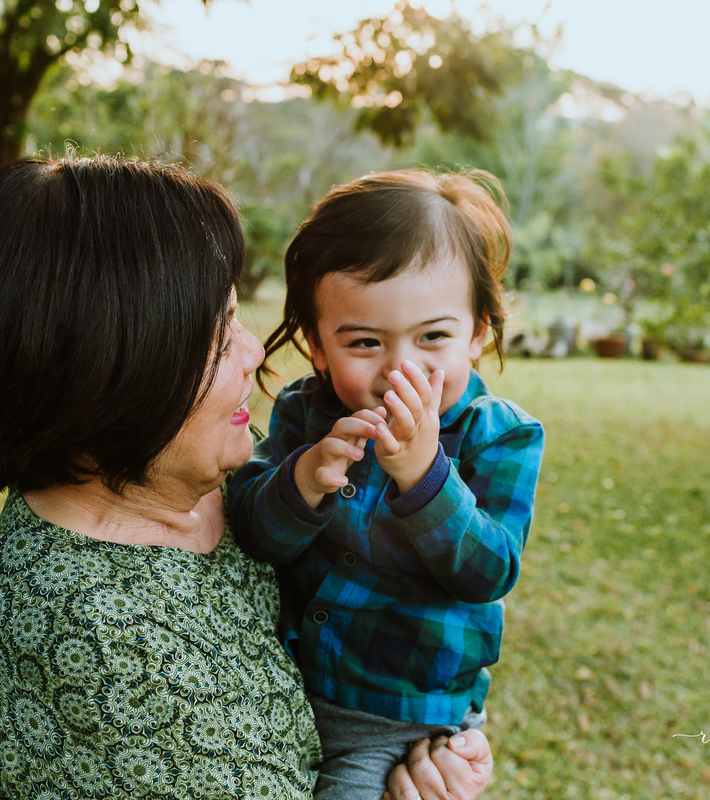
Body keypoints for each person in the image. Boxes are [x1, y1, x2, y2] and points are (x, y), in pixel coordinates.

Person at [0, 155, 492, 800]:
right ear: (112, 372)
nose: (254, 352)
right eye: (216, 334)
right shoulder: (110, 639)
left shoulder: (184, 480)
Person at [228, 169, 545, 799]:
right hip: (298, 684)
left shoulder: (499, 437)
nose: (402, 370)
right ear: (318, 345)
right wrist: (303, 480)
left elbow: (488, 572)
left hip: (399, 717)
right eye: (366, 342)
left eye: (433, 337)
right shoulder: (305, 414)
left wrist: (426, 478)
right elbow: (252, 531)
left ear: (479, 330)